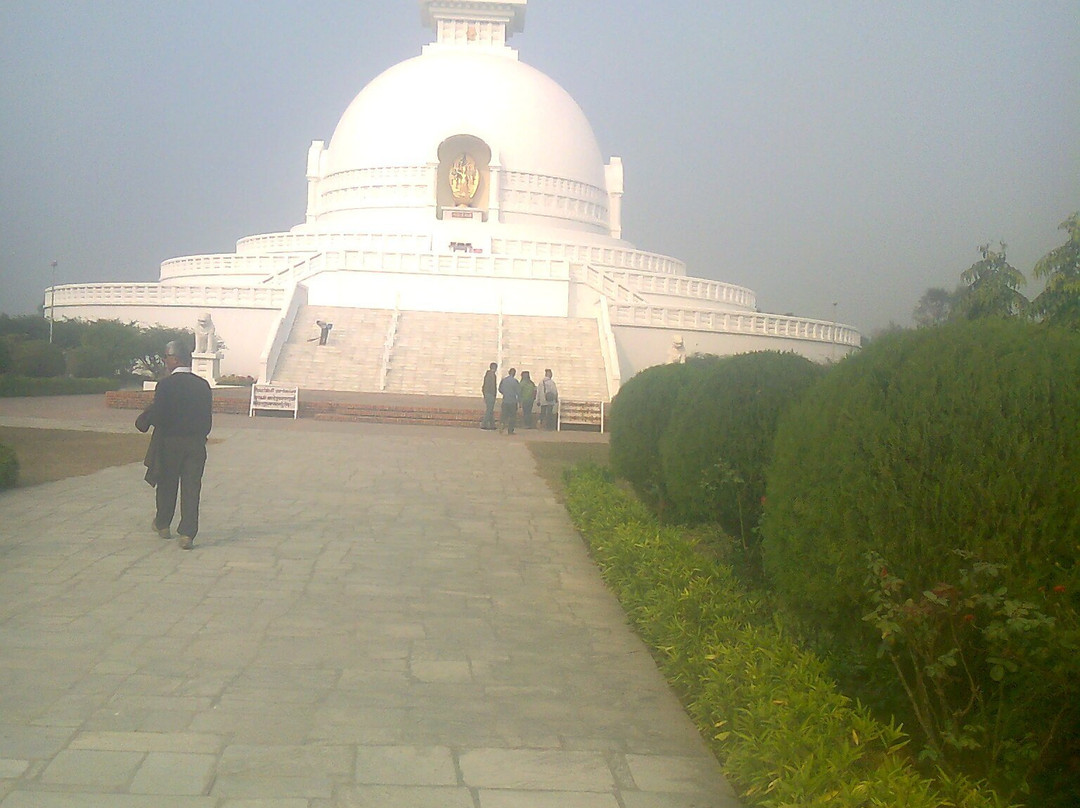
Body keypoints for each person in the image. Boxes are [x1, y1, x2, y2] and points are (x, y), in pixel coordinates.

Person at [135, 339, 213, 550]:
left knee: (167, 485)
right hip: (196, 444)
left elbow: (159, 416)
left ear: (175, 359)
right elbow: (207, 420)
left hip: (170, 442)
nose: (165, 361)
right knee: (191, 488)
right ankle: (187, 533)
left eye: (167, 357)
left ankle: (162, 524)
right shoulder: (203, 385)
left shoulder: (166, 385)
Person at [498, 367, 521, 435]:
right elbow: (518, 392)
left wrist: (505, 393)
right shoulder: (515, 381)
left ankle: (502, 424)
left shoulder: (504, 380)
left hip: (505, 400)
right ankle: (510, 430)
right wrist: (520, 402)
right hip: (513, 401)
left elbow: (500, 389)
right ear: (514, 374)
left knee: (504, 415)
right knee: (512, 416)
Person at [481, 361, 498, 429]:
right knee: (489, 410)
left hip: (487, 393)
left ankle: (492, 424)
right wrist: (494, 395)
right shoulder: (492, 375)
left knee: (490, 409)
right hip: (490, 394)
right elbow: (493, 386)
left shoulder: (487, 374)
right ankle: (484, 424)